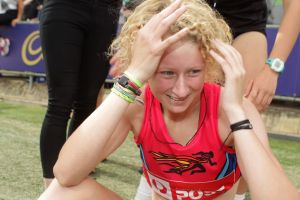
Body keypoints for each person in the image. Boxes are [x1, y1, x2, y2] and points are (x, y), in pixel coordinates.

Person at [38, 0, 300, 199]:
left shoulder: (230, 108)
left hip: (241, 25)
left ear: (208, 66)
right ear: (148, 68)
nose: (181, 89)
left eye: (194, 72)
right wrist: (131, 79)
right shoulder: (137, 105)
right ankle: (148, 186)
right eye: (167, 73)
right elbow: (65, 174)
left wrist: (236, 111)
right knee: (58, 193)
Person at [39, 0, 120, 188]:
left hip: (106, 12)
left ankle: (74, 176)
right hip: (63, 8)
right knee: (60, 103)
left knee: (87, 103)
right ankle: (52, 190)